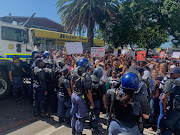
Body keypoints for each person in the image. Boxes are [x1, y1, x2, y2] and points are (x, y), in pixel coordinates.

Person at [106, 69, 150, 135]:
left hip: (115, 125)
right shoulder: (140, 97)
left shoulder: (113, 93)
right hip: (133, 128)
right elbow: (147, 114)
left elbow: (108, 104)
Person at [70, 58, 95, 135]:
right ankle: (79, 132)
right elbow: (88, 92)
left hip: (74, 95)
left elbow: (71, 83)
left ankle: (73, 130)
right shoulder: (87, 76)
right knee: (81, 117)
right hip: (81, 97)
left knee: (74, 114)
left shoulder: (73, 72)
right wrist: (92, 103)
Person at [161, 67, 180, 135]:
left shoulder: (171, 82)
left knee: (167, 128)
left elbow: (163, 98)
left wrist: (164, 109)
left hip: (173, 109)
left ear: (178, 74)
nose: (170, 75)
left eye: (172, 74)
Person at [90, 67, 107, 134]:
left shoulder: (90, 80)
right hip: (97, 101)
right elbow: (103, 96)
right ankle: (94, 128)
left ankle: (92, 125)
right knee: (96, 114)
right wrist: (105, 105)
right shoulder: (101, 83)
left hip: (90, 100)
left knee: (91, 113)